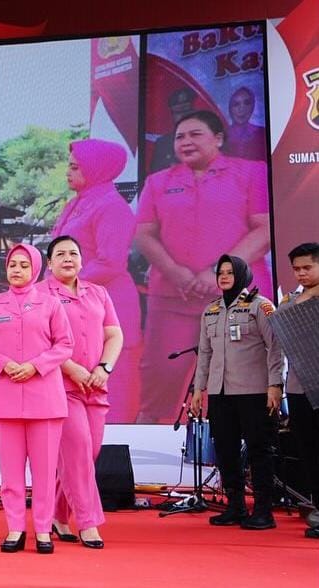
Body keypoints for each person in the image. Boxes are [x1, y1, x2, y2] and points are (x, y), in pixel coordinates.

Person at [135, 110, 271, 422]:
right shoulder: (158, 182)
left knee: (242, 379)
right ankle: (153, 448)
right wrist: (174, 271)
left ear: (218, 139)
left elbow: (263, 229)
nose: (186, 141)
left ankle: (244, 456)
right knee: (161, 375)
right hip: (172, 298)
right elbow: (144, 234)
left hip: (236, 298)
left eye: (195, 134)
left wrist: (220, 272)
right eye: (180, 136)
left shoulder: (251, 173)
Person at [0, 244, 73, 554]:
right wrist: (3, 364)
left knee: (44, 473)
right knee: (11, 474)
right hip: (4, 399)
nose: (16, 270)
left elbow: (64, 345)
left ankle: (43, 530)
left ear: (36, 270)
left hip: (45, 400)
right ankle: (15, 528)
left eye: (23, 265)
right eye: (12, 264)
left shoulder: (51, 304)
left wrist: (35, 366)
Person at [37, 236, 124, 549]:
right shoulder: (40, 294)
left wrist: (104, 369)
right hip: (60, 388)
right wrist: (73, 370)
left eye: (73, 253)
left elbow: (114, 334)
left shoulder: (97, 292)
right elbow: (41, 342)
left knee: (89, 453)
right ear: (49, 263)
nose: (67, 258)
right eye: (60, 254)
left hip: (96, 386)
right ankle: (89, 522)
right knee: (79, 449)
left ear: (82, 260)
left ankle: (58, 514)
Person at [191, 254, 283, 529]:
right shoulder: (211, 310)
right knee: (225, 450)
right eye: (221, 272)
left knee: (259, 450)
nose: (224, 276)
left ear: (242, 274)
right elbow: (204, 354)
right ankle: (235, 506)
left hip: (255, 391)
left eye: (230, 272)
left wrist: (275, 385)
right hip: (220, 393)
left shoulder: (261, 306)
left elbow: (275, 348)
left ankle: (264, 511)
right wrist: (199, 390)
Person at [52, 138, 140, 422]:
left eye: (75, 167)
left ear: (96, 169)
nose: (68, 172)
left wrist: (61, 285)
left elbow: (110, 262)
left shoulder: (111, 206)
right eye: (69, 166)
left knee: (112, 384)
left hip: (110, 304)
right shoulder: (79, 202)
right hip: (78, 305)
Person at [274, 242, 319, 538]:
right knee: (310, 453)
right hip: (299, 388)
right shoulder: (289, 302)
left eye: (307, 268)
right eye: (296, 269)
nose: (301, 274)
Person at [149, 87, 197, 173]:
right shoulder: (162, 143)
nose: (183, 116)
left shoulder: (207, 139)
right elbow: (155, 176)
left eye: (186, 111)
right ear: (172, 115)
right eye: (178, 112)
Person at [223, 87, 267, 161]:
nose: (242, 109)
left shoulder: (263, 133)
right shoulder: (220, 135)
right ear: (229, 108)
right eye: (236, 104)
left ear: (252, 106)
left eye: (247, 103)